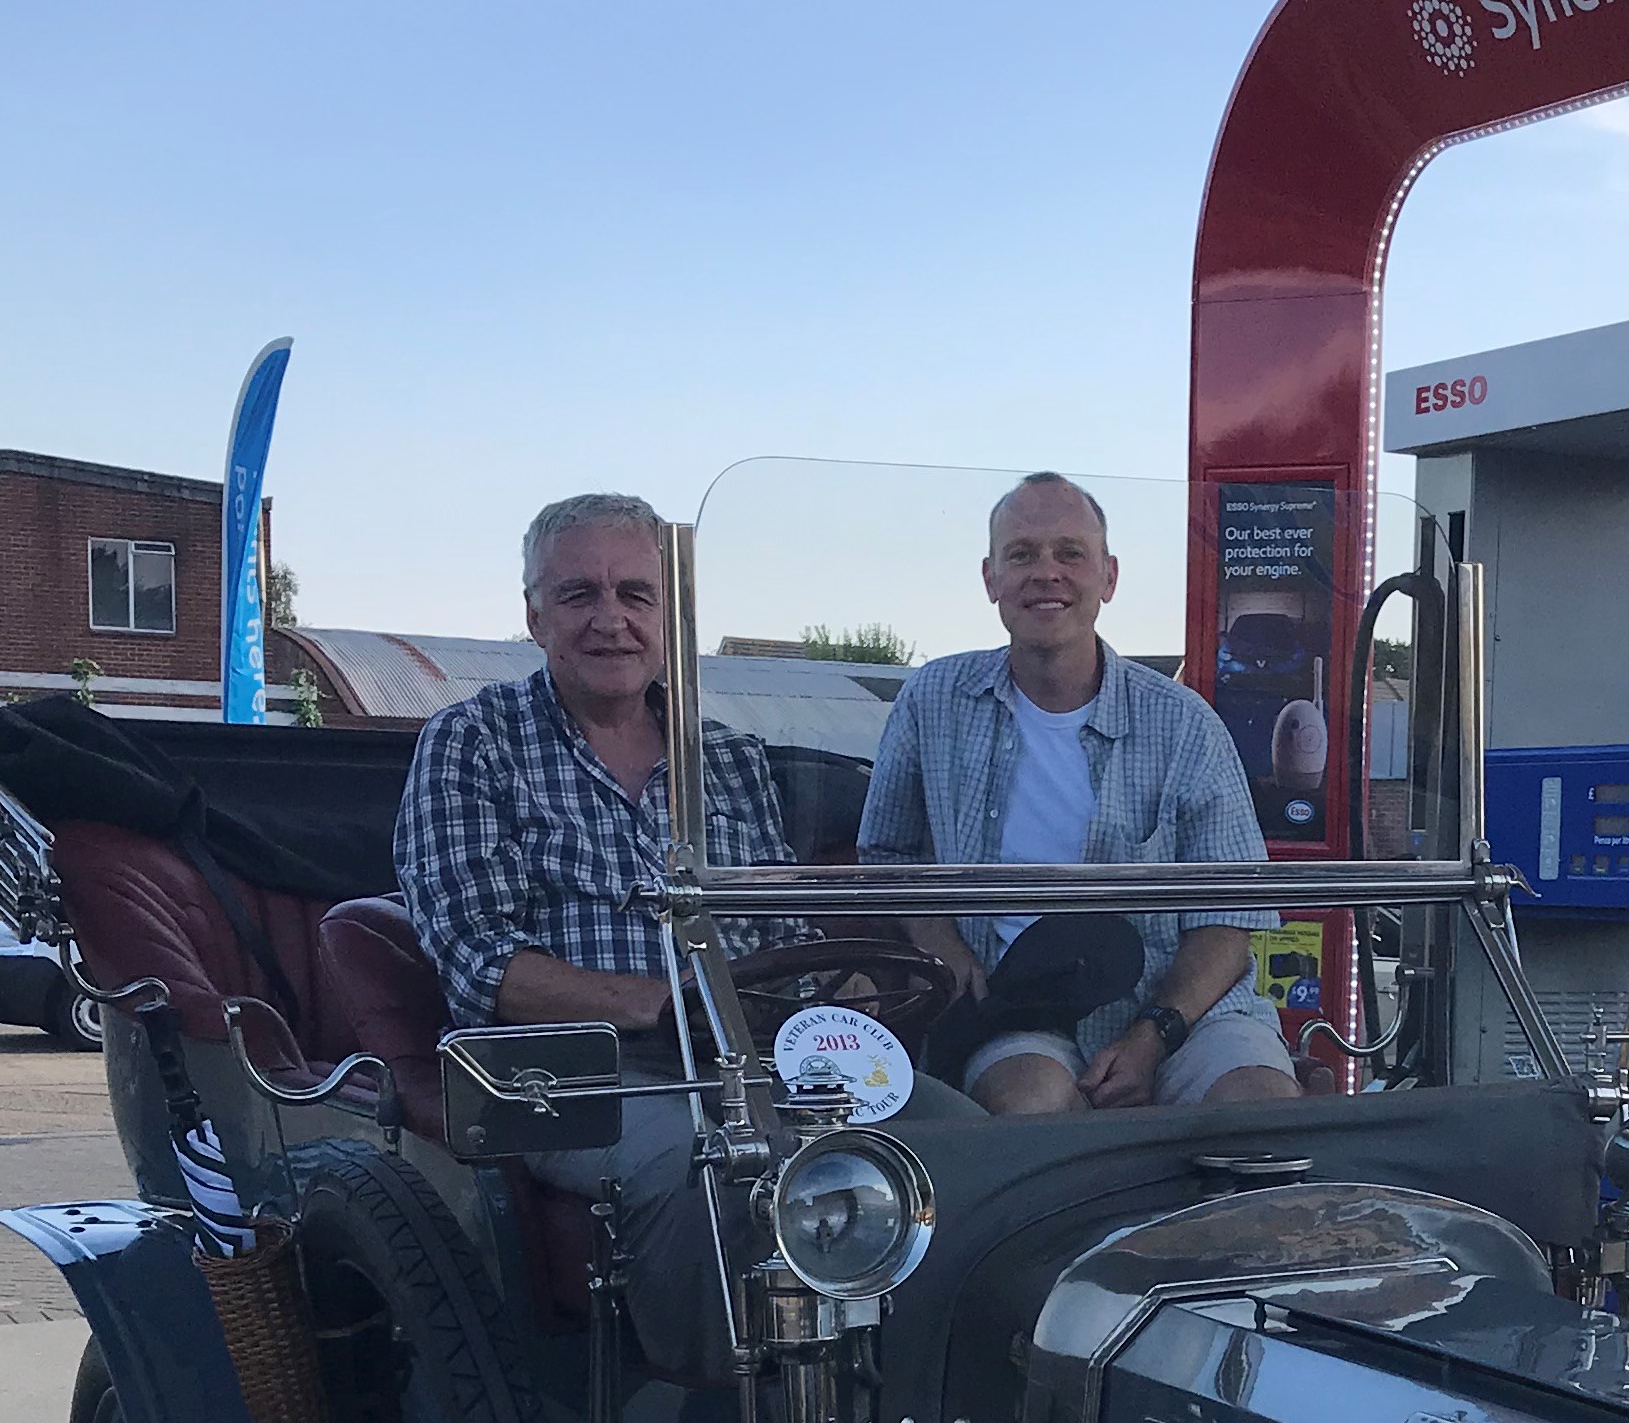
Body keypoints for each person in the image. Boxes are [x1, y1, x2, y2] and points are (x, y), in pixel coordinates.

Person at [396, 489, 807, 1376]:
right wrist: (665, 1009)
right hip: (566, 1072)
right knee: (720, 1169)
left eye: (635, 595)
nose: (610, 620)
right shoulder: (472, 743)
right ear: (534, 616)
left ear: (671, 617)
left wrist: (841, 998)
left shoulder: (729, 759)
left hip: (745, 1060)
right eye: (579, 594)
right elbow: (479, 960)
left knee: (944, 1143)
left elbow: (788, 929)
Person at [860, 473, 1300, 1112]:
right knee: (1033, 1110)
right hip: (1018, 1009)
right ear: (990, 579)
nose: (1047, 573)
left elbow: (1227, 921)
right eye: (1022, 554)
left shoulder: (1185, 723)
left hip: (1183, 1012)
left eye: (1070, 553)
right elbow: (887, 856)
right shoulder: (931, 700)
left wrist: (1152, 1037)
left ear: (1109, 577)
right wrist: (945, 951)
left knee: (1262, 1108)